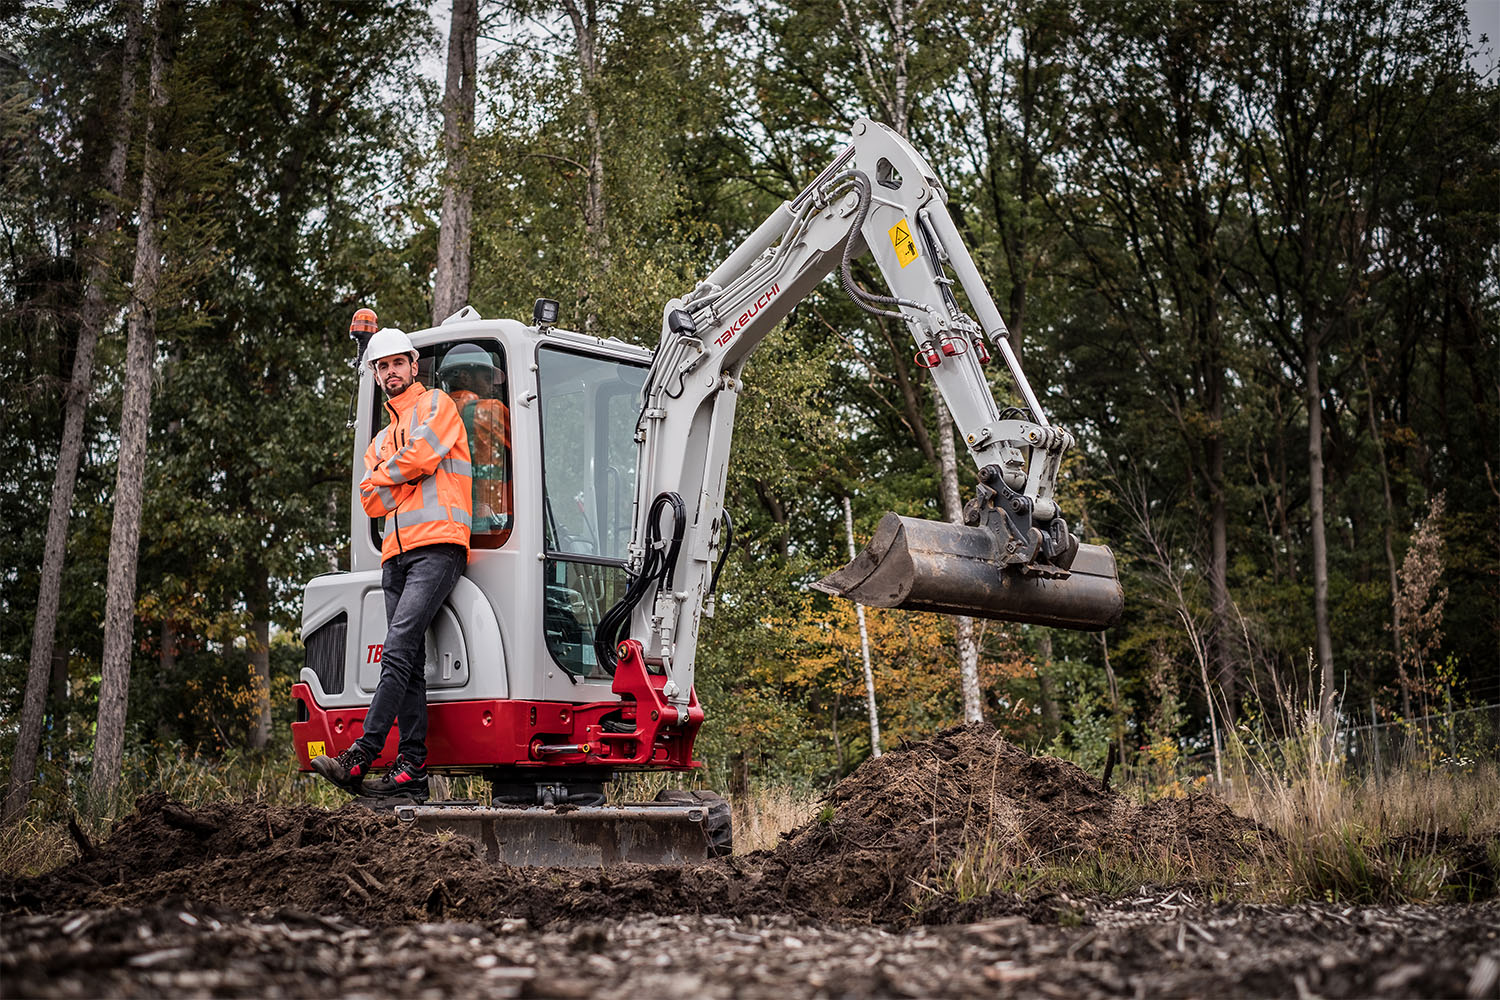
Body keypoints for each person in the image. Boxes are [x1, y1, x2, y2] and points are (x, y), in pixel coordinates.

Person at [311, 325, 472, 801]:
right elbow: (369, 498)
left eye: (396, 364)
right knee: (410, 663)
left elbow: (422, 457)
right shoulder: (380, 438)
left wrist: (391, 475)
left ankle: (361, 754)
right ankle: (411, 772)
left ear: (412, 365)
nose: (390, 373)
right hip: (395, 557)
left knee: (398, 646)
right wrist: (396, 474)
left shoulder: (437, 407)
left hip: (439, 546)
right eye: (382, 367)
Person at [437, 343, 512, 538]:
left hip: (447, 527)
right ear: (465, 376)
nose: (491, 385)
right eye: (486, 378)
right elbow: (528, 448)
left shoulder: (430, 416)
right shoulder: (490, 410)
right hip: (495, 524)